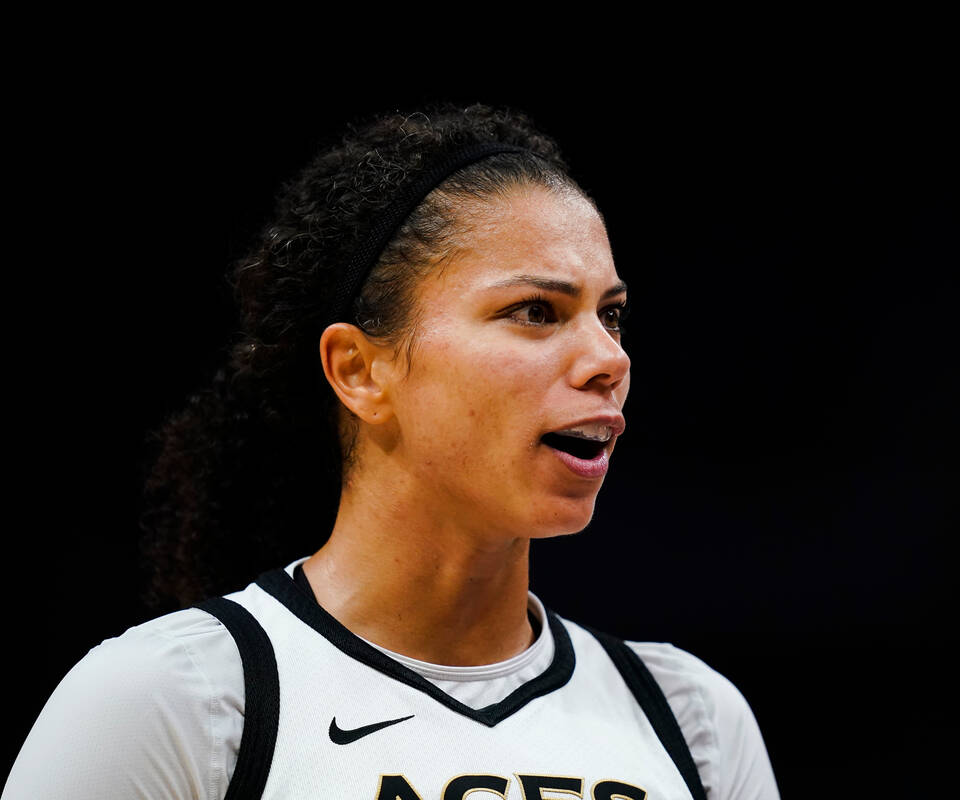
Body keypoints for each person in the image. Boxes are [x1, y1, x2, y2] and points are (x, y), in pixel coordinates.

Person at [4, 104, 779, 800]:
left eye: (611, 316)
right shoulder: (173, 701)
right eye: (536, 311)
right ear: (359, 370)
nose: (609, 359)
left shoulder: (691, 720)